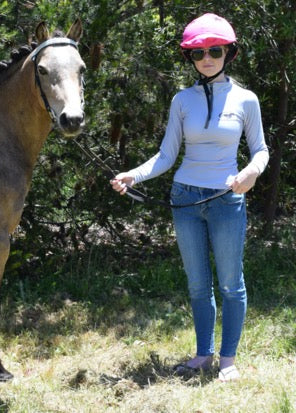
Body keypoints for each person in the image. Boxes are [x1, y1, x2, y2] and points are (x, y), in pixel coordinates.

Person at [110, 13, 269, 382]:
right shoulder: (183, 100)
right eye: (198, 53)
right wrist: (133, 174)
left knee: (231, 283)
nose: (207, 58)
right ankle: (202, 354)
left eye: (215, 50)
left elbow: (261, 149)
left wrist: (252, 172)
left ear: (228, 53)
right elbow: (166, 156)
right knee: (198, 284)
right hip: (185, 199)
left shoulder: (246, 99)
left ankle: (227, 360)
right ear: (191, 59)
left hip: (227, 200)